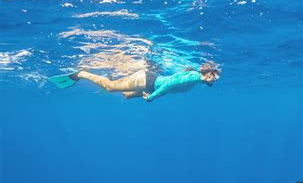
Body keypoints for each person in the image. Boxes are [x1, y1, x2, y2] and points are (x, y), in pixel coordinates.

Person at [49, 61, 221, 102]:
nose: (216, 79)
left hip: (150, 83)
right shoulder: (193, 77)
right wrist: (152, 97)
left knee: (126, 95)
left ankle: (116, 74)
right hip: (147, 80)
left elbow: (172, 85)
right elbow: (169, 85)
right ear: (208, 74)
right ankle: (81, 74)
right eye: (215, 76)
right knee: (110, 87)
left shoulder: (197, 79)